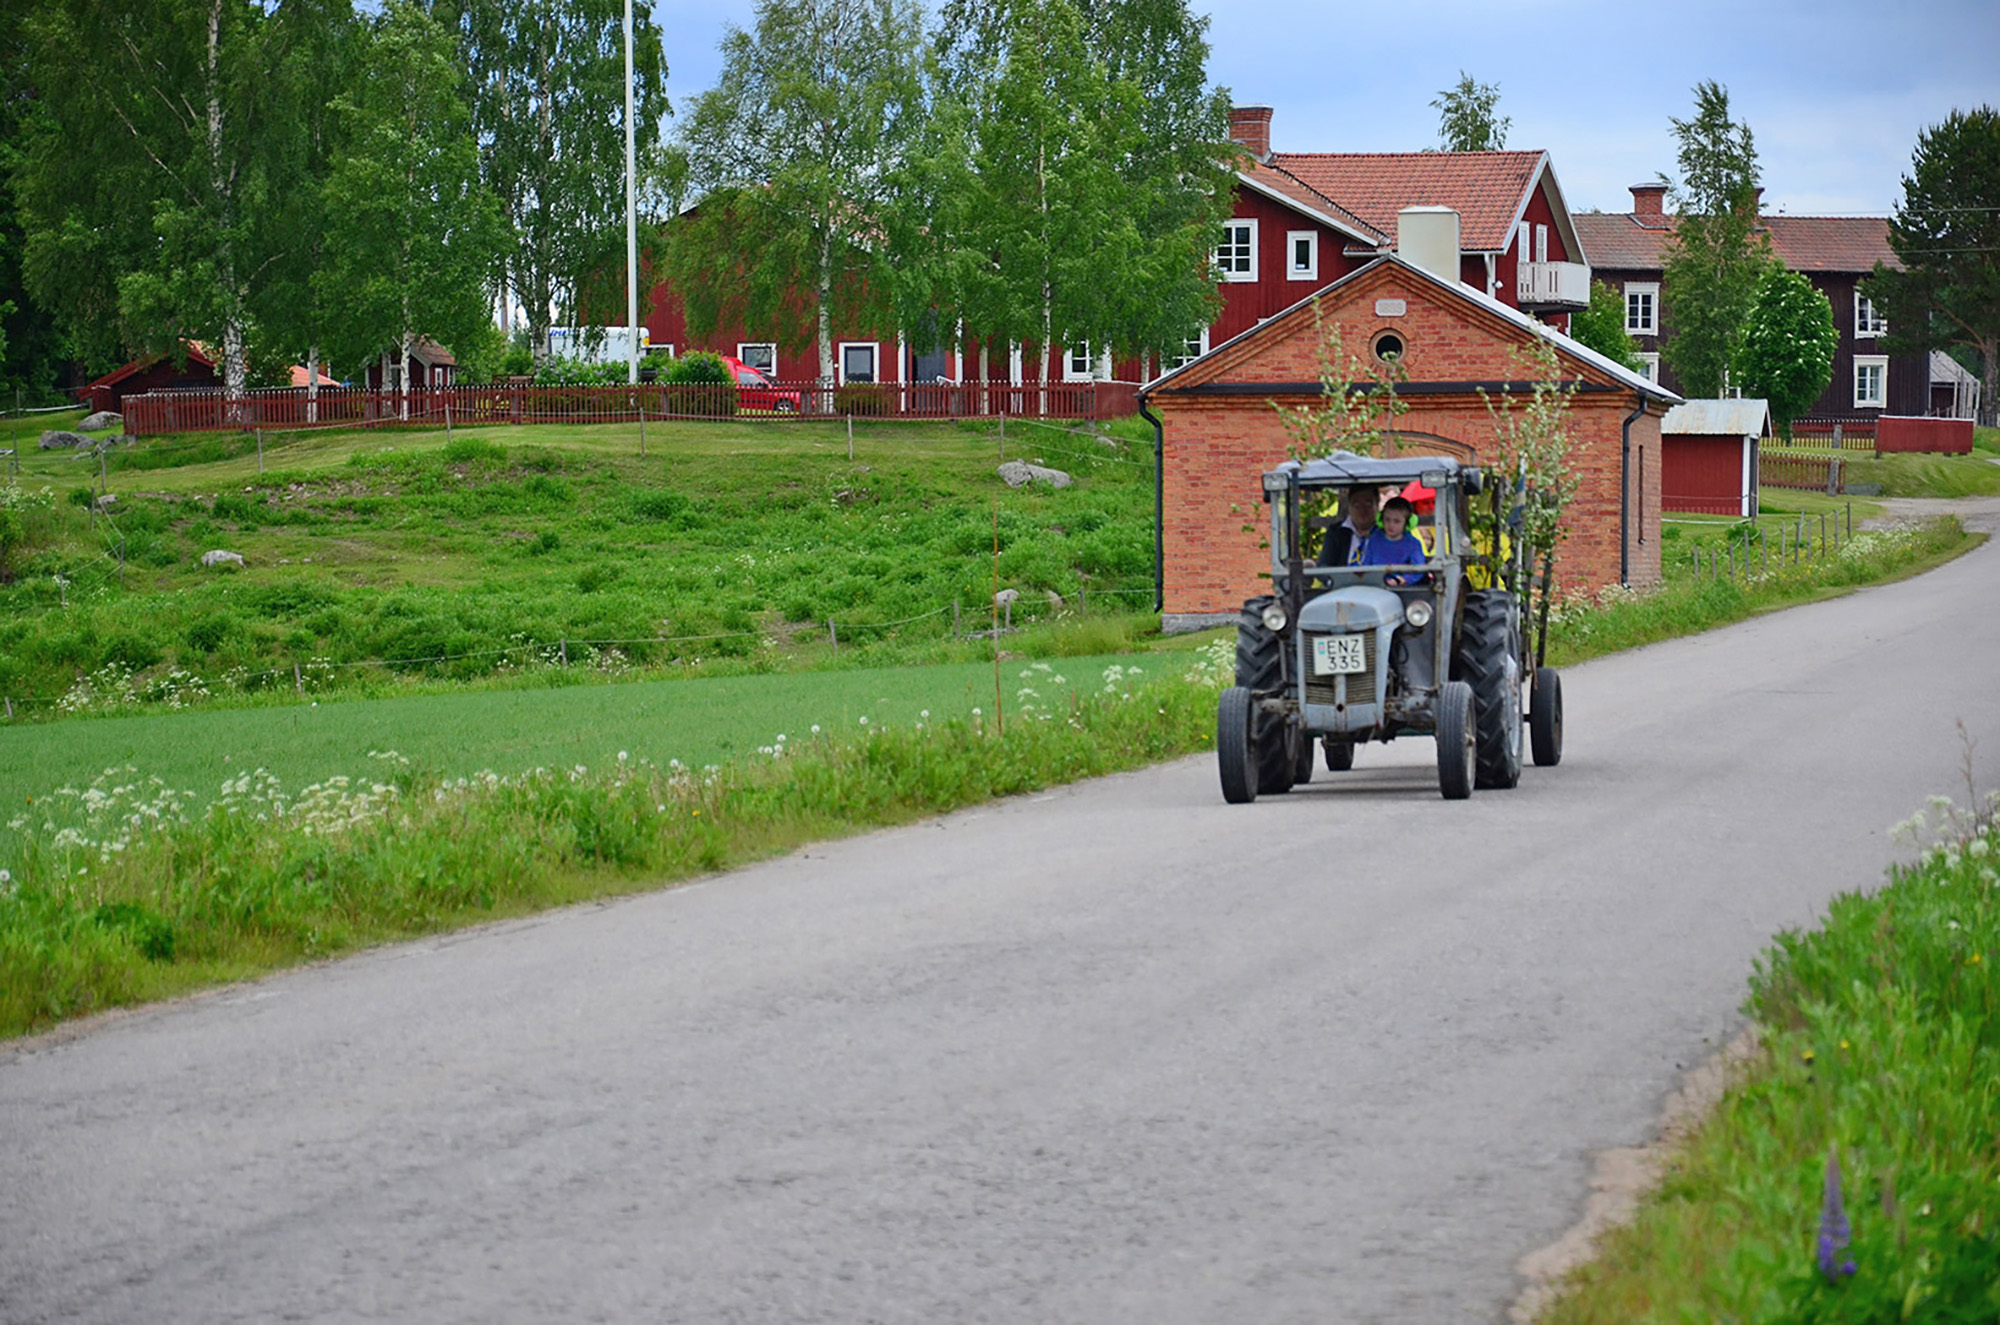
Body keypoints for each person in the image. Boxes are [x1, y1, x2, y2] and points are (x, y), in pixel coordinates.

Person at [1357, 496, 1429, 582]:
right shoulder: (1373, 540)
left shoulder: (1413, 544)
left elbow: (1419, 569)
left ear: (1407, 523)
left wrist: (1403, 580)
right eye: (1387, 519)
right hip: (1376, 586)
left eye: (1396, 521)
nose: (1391, 525)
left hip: (1403, 590)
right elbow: (1365, 565)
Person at [1316, 485, 1379, 567]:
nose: (1362, 509)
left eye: (1368, 504)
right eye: (1356, 505)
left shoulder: (1385, 533)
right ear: (1349, 506)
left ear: (1377, 505)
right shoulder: (1335, 533)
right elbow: (1324, 565)